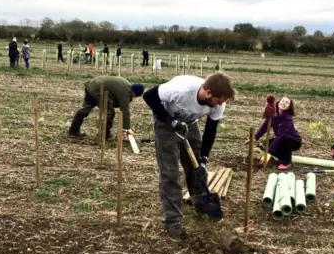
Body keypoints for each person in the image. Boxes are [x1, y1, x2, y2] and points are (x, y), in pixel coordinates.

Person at [142, 72, 236, 238]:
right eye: (219, 100)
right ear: (208, 93)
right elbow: (149, 96)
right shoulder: (181, 90)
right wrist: (171, 121)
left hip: (190, 124)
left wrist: (204, 160)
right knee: (170, 174)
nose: (220, 104)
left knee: (197, 168)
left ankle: (200, 202)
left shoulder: (218, 104)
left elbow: (210, 131)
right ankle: (172, 221)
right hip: (166, 122)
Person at [68, 75, 145, 140]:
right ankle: (105, 134)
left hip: (92, 85)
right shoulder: (125, 92)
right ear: (134, 92)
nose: (135, 98)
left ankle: (73, 130)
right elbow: (125, 110)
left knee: (85, 109)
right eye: (135, 96)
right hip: (98, 89)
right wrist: (127, 128)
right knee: (110, 112)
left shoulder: (126, 84)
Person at [245, 94, 301, 170]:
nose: (284, 103)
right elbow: (265, 126)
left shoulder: (287, 118)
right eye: (283, 101)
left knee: (286, 139)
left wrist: (269, 152)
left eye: (287, 103)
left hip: (294, 141)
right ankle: (281, 157)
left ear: (289, 106)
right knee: (265, 145)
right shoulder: (273, 114)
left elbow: (280, 136)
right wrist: (255, 138)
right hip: (282, 139)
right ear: (278, 102)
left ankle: (287, 162)